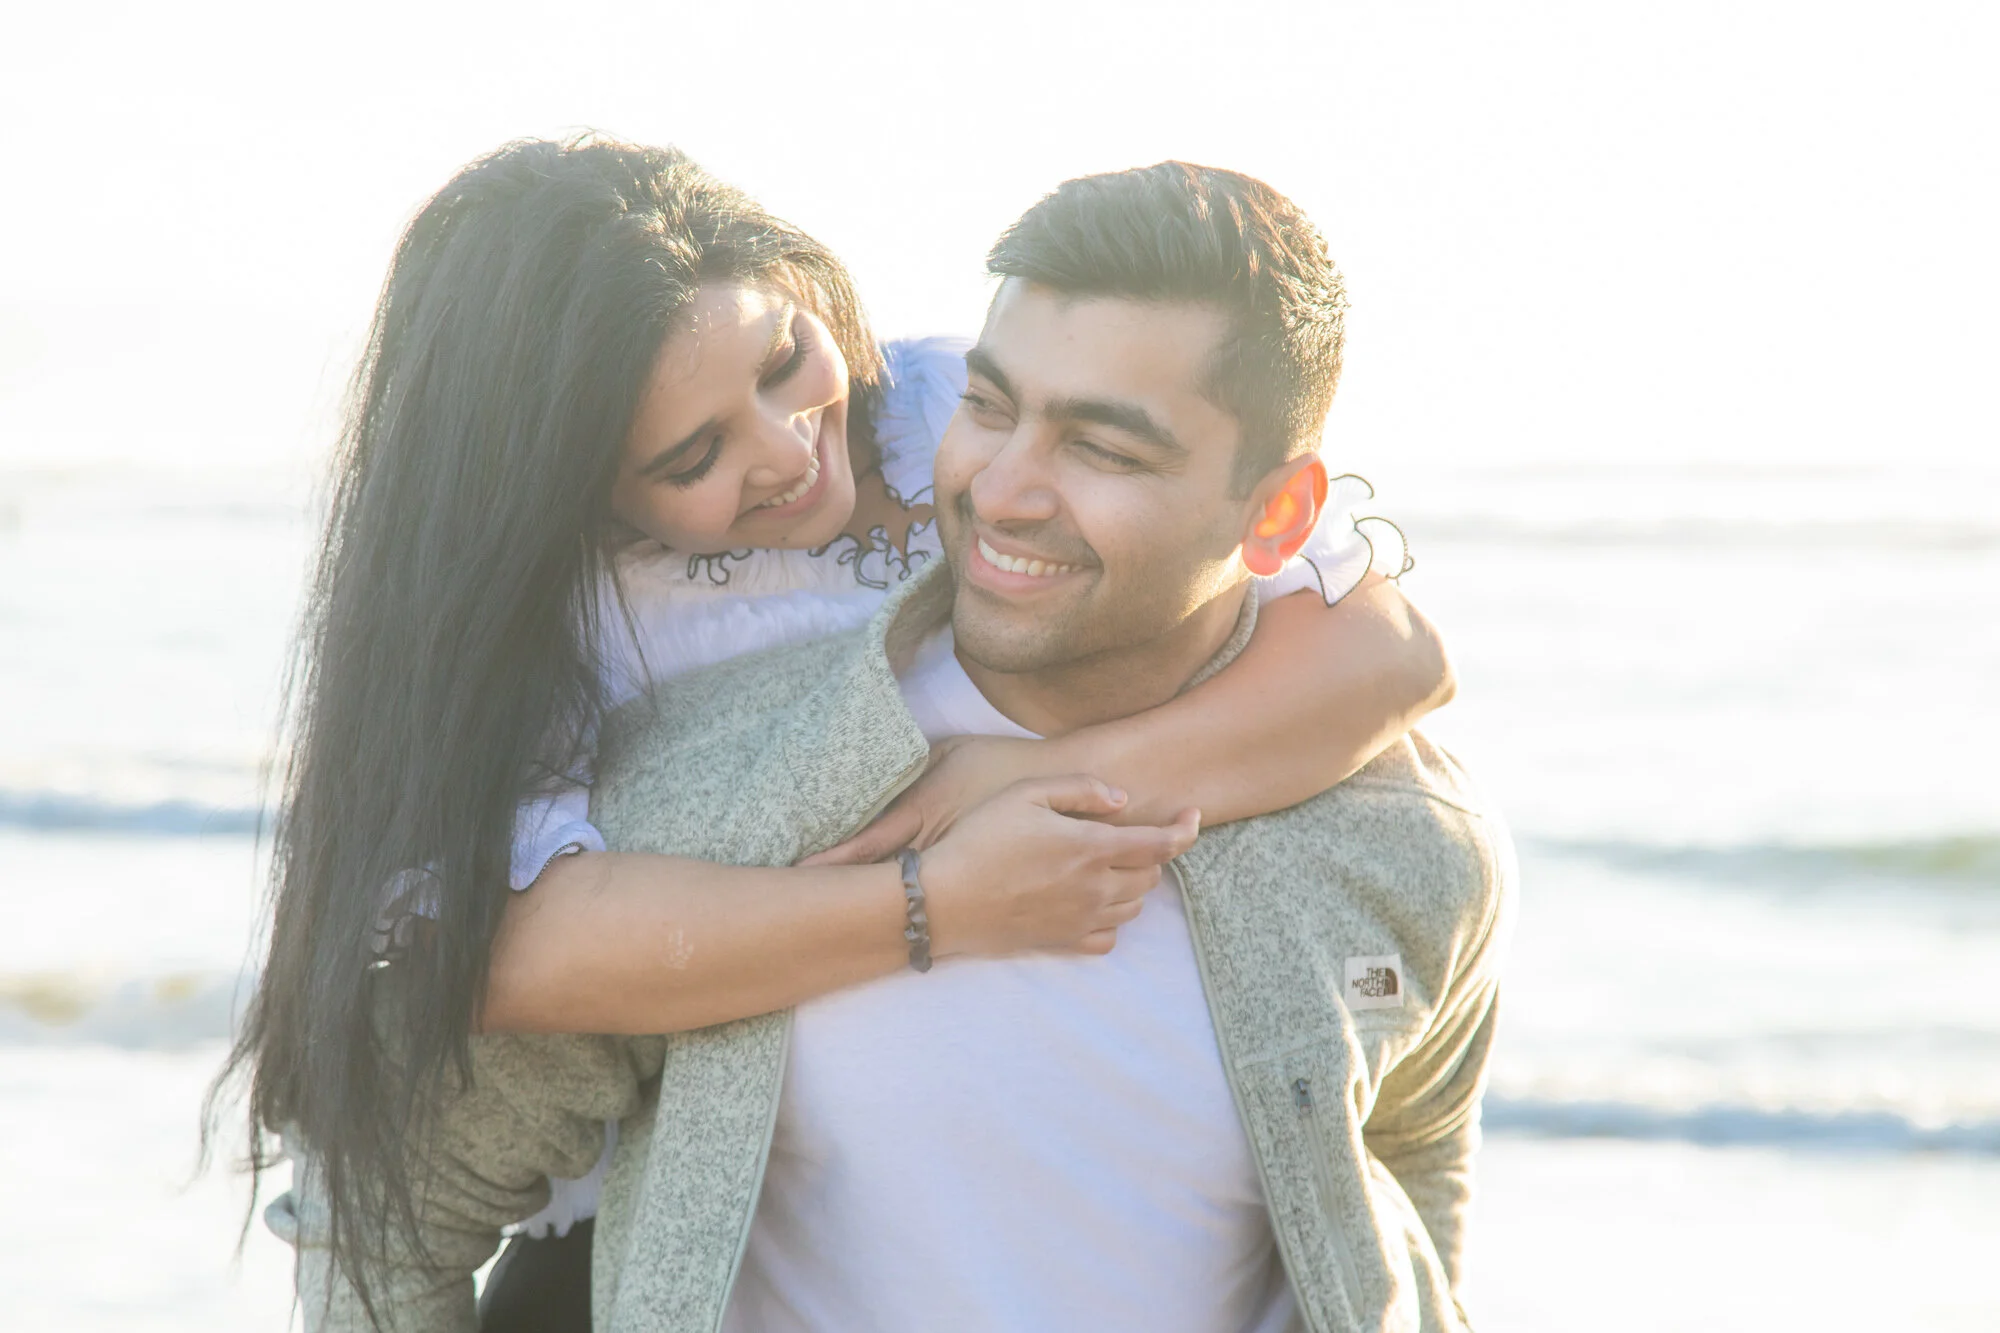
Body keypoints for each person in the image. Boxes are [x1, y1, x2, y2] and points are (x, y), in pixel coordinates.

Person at [215, 138, 1454, 1325]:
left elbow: (1383, 648)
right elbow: (487, 968)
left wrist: (1035, 781)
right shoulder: (582, 633)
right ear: (582, 493)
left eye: (780, 364)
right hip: (621, 1199)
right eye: (692, 452)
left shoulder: (935, 407)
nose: (790, 451)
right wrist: (937, 902)